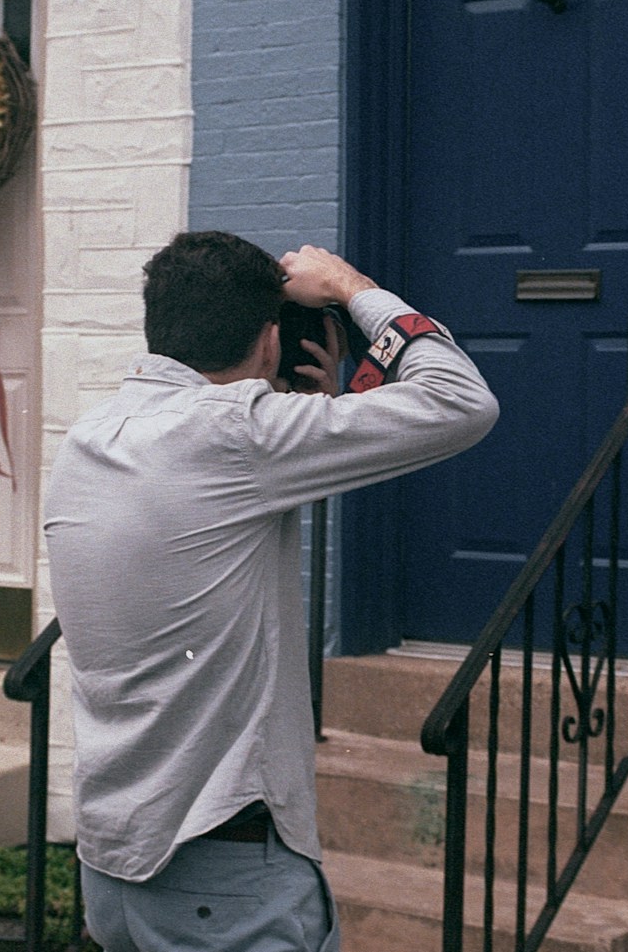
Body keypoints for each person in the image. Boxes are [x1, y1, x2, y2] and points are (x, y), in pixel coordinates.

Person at [44, 231, 498, 952]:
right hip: (225, 883)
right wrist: (352, 286)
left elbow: (214, 532)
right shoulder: (240, 436)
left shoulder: (90, 436)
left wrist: (308, 414)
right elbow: (461, 400)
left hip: (114, 867)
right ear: (266, 342)